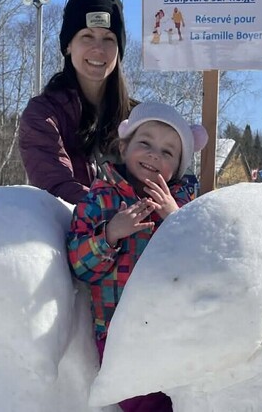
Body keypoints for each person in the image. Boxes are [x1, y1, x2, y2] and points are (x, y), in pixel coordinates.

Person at [68, 102, 207, 411]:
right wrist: (110, 234)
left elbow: (203, 261)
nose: (155, 154)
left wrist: (175, 219)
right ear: (124, 145)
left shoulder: (189, 207)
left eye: (168, 152)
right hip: (119, 332)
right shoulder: (100, 199)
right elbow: (78, 265)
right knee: (143, 402)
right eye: (145, 143)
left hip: (175, 329)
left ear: (178, 167)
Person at [19, 0, 134, 205]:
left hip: (140, 237)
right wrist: (116, 212)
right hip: (70, 236)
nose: (98, 49)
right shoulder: (43, 115)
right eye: (87, 36)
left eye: (109, 39)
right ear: (68, 45)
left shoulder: (139, 118)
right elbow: (56, 187)